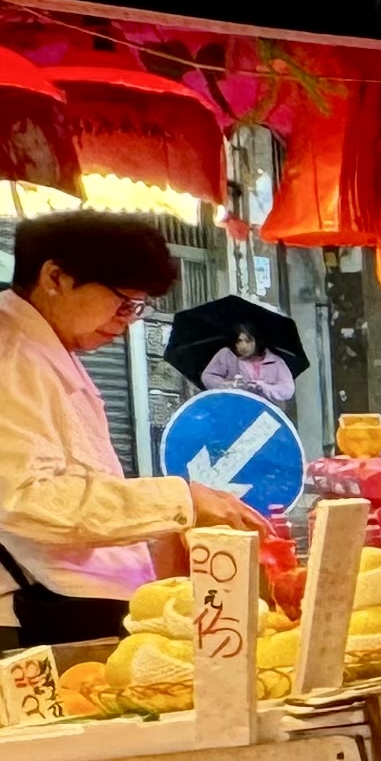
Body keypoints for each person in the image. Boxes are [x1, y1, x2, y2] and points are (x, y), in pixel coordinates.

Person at [0, 216, 252, 645]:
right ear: (55, 277)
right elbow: (25, 500)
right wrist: (179, 499)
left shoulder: (47, 346)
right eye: (123, 302)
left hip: (75, 602)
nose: (128, 319)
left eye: (138, 306)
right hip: (36, 614)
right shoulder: (10, 355)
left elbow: (80, 485)